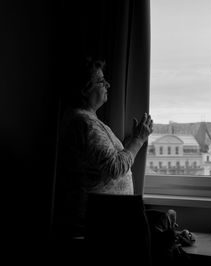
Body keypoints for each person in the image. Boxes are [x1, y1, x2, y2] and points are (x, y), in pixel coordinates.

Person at [53, 57, 153, 239]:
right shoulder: (84, 123)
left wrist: (130, 141)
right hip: (96, 227)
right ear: (84, 89)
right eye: (100, 81)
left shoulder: (89, 121)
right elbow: (114, 168)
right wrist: (138, 140)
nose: (107, 84)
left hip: (105, 221)